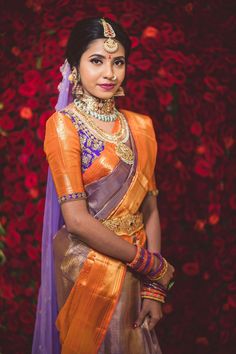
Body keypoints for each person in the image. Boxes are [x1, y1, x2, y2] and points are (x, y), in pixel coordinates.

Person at [32, 17, 175, 354]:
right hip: (87, 268)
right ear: (74, 67)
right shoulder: (64, 125)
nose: (109, 73)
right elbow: (78, 220)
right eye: (96, 61)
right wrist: (150, 264)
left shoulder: (142, 126)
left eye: (118, 62)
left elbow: (150, 207)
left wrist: (154, 288)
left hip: (138, 271)